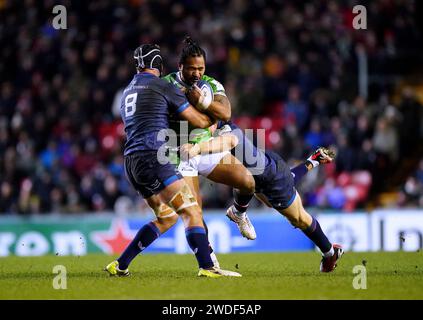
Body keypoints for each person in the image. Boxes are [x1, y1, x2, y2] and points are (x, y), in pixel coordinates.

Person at [104, 44, 240, 278]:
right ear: (159, 65)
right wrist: (214, 120)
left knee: (167, 216)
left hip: (132, 162)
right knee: (191, 210)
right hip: (155, 157)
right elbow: (197, 121)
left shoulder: (127, 91)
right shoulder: (163, 85)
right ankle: (208, 267)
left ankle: (121, 264)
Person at [185, 121, 343, 272]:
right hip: (263, 170)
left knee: (299, 218)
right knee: (268, 188)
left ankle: (330, 252)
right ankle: (313, 160)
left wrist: (197, 148)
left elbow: (229, 142)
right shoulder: (208, 130)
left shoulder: (226, 131)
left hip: (271, 177)